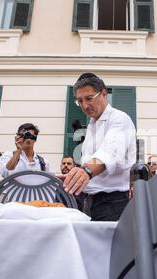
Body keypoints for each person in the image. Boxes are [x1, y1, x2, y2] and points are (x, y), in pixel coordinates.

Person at [63, 73, 136, 221]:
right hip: (90, 201)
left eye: (89, 98)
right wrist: (73, 176)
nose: (84, 105)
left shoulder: (119, 119)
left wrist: (86, 171)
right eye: (80, 101)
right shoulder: (92, 125)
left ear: (104, 94)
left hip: (113, 202)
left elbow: (109, 153)